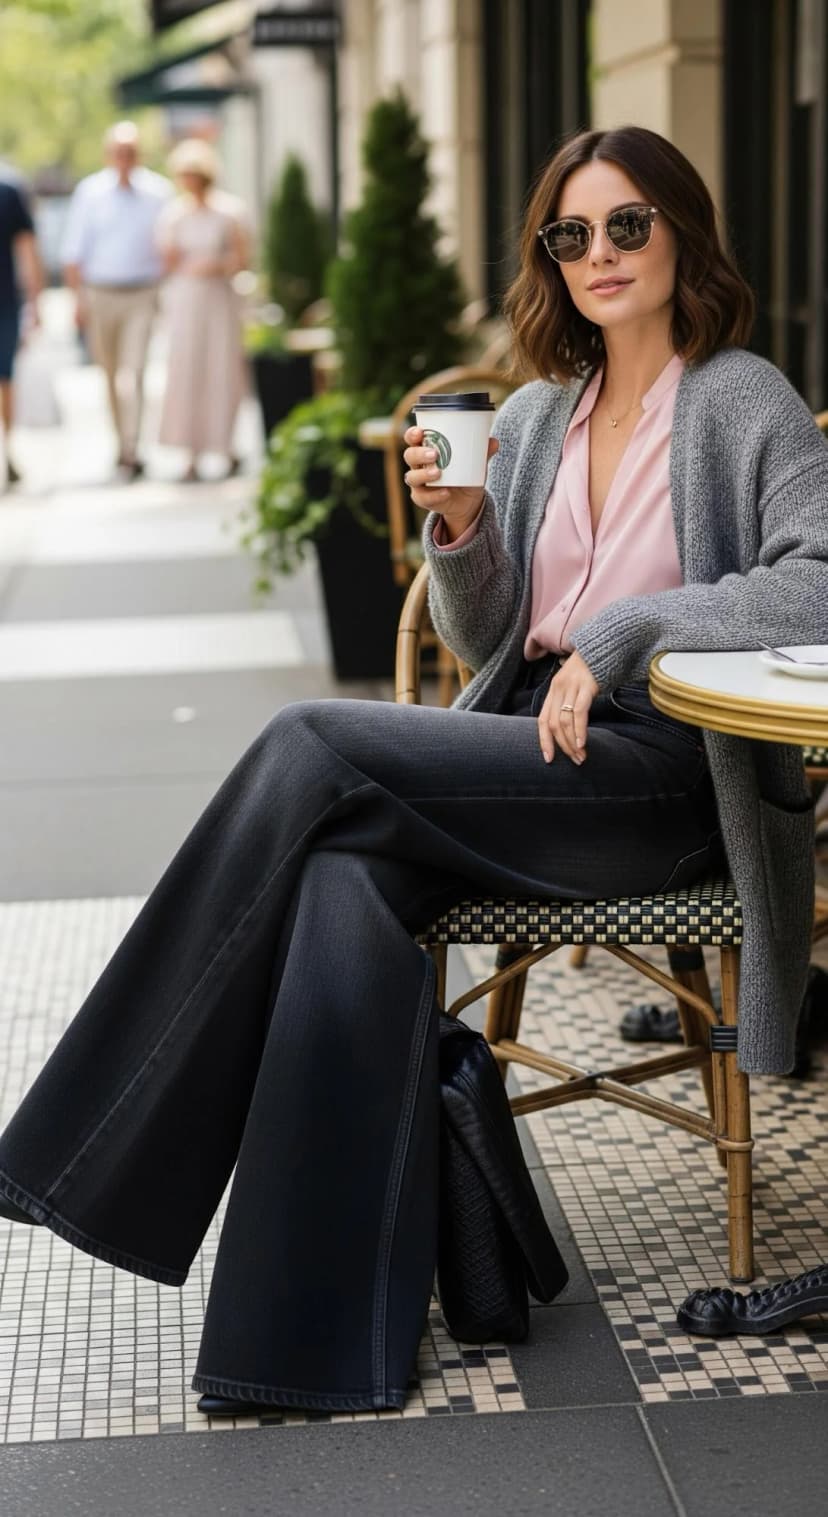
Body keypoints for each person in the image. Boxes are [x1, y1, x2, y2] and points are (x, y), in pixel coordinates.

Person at [0, 125, 826, 1415]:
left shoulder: (743, 398)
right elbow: (488, 640)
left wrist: (627, 631)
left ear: (682, 234)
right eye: (571, 234)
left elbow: (815, 580)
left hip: (667, 778)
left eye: (628, 224)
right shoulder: (542, 412)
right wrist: (460, 527)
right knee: (342, 875)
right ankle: (299, 1345)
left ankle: (82, 1141)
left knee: (307, 739)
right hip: (533, 753)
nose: (600, 253)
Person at [61, 122, 172, 480]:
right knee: (109, 373)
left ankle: (132, 447)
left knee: (135, 370)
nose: (125, 159)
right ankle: (119, 442)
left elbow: (168, 245)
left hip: (142, 292)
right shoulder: (90, 192)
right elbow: (74, 251)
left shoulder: (159, 192)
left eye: (131, 152)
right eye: (119, 152)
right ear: (109, 155)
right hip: (102, 293)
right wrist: (77, 299)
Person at [156, 139, 250, 481]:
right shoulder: (174, 214)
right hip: (186, 301)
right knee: (187, 371)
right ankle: (189, 452)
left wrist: (215, 265)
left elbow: (242, 256)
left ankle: (226, 446)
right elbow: (166, 259)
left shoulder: (230, 212)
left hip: (219, 299)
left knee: (222, 370)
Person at [0, 171, 43, 487]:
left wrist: (35, 302)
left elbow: (27, 248)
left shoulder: (9, 191)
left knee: (5, 379)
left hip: (5, 302)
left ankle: (7, 450)